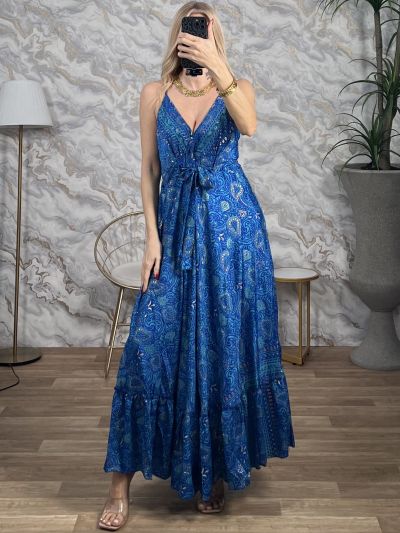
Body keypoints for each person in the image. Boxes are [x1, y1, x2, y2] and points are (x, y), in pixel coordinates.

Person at [98, 2, 295, 530]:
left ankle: (214, 473)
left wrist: (217, 64)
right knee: (147, 348)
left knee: (222, 349)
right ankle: (118, 486)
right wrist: (151, 237)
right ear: (177, 35)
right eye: (191, 27)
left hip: (232, 237)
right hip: (175, 231)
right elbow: (149, 169)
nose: (196, 35)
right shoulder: (153, 93)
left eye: (205, 28)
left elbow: (249, 125)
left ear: (215, 36)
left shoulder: (237, 87)